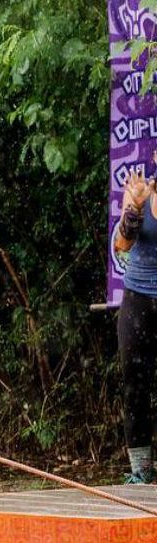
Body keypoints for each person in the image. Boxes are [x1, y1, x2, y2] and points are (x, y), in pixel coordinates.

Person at [114, 164, 157, 485]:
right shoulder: (141, 192)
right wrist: (134, 209)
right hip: (137, 299)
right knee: (135, 384)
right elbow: (122, 245)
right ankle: (141, 471)